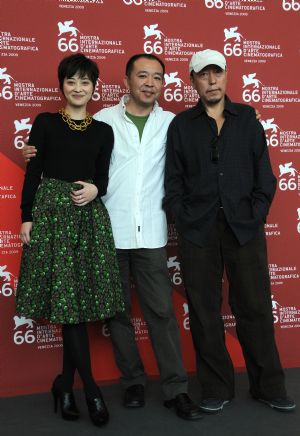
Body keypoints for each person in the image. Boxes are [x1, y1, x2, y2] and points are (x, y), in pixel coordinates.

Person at [22, 53, 203, 421]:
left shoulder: (173, 123)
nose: (149, 83)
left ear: (164, 84)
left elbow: (206, 132)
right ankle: (133, 382)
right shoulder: (102, 120)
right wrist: (33, 154)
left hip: (150, 230)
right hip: (106, 231)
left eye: (157, 77)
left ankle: (176, 389)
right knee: (115, 313)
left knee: (162, 313)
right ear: (126, 81)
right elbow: (66, 154)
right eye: (142, 76)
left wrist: (245, 123)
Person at [164, 49, 296, 414]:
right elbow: (172, 183)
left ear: (226, 76)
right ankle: (216, 387)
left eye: (217, 73)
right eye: (203, 75)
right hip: (198, 232)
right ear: (192, 81)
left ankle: (268, 386)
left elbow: (265, 176)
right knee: (205, 312)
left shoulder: (248, 120)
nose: (211, 81)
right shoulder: (181, 126)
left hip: (245, 228)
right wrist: (185, 218)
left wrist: (254, 215)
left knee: (254, 308)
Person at [16, 53, 124, 427]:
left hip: (89, 219)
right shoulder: (44, 123)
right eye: (71, 81)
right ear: (62, 85)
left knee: (74, 305)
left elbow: (103, 178)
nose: (78, 88)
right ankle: (91, 388)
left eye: (85, 82)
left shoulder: (103, 131)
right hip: (50, 218)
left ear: (95, 87)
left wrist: (95, 190)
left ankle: (64, 385)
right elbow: (33, 172)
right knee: (68, 304)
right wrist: (26, 216)